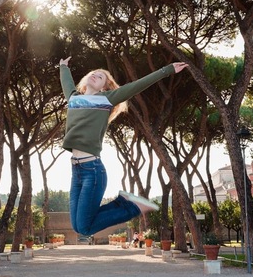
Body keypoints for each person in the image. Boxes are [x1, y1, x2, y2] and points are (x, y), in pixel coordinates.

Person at [59, 56, 189, 236]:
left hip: (93, 171)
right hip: (76, 169)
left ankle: (133, 207)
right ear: (85, 81)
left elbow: (136, 86)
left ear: (104, 87)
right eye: (94, 73)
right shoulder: (73, 98)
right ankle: (124, 203)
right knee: (78, 227)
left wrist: (167, 70)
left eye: (101, 77)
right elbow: (66, 82)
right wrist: (63, 67)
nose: (95, 75)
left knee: (84, 228)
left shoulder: (106, 99)